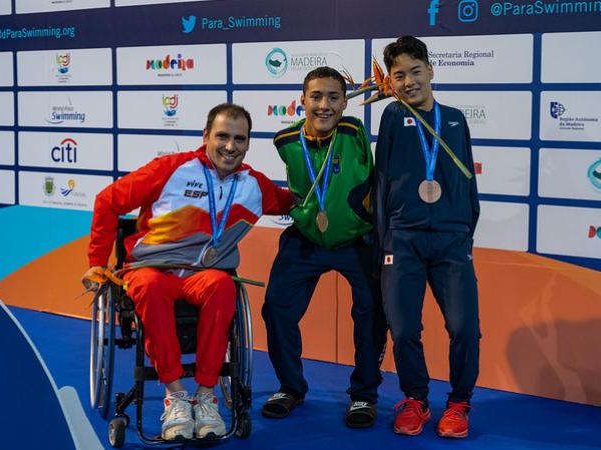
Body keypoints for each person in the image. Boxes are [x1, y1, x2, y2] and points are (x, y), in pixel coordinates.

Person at [81, 103, 292, 440]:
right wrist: (96, 260)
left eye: (240, 139)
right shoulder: (172, 169)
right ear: (206, 136)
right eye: (222, 136)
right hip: (151, 267)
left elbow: (291, 203)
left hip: (202, 274)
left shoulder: (254, 185)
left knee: (224, 286)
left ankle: (207, 397)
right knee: (149, 287)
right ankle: (176, 396)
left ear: (249, 144)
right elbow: (108, 200)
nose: (230, 146)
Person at [261, 66, 387, 428]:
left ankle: (364, 394)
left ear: (346, 102)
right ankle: (291, 387)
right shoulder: (285, 140)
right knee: (277, 309)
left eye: (334, 97)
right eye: (316, 96)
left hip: (356, 240)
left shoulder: (353, 131)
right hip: (306, 239)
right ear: (302, 101)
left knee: (371, 313)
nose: (324, 105)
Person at [374, 36, 481, 438]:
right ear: (391, 82)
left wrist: (465, 231)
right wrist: (385, 240)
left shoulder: (454, 118)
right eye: (398, 75)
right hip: (403, 239)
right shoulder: (390, 116)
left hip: (451, 241)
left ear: (431, 71)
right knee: (403, 329)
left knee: (465, 327)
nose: (408, 82)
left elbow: (467, 179)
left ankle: (459, 403)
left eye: (415, 72)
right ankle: (415, 398)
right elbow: (382, 180)